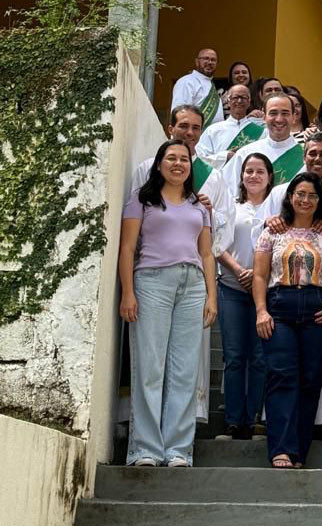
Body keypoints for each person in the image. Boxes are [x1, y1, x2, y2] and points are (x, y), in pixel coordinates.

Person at [130, 106, 235, 425]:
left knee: (185, 361)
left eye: (196, 128)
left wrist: (209, 212)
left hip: (194, 276)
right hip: (153, 274)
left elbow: (225, 224)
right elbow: (134, 221)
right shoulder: (147, 168)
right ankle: (147, 434)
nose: (189, 133)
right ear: (169, 127)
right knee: (151, 359)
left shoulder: (212, 176)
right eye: (183, 126)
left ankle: (185, 426)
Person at [119, 139, 217, 467]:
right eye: (171, 158)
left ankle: (178, 450)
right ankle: (145, 449)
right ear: (159, 164)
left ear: (190, 166)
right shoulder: (141, 200)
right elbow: (127, 249)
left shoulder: (198, 206)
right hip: (152, 283)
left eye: (184, 159)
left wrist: (211, 296)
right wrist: (128, 292)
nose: (178, 163)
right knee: (150, 367)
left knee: (185, 370)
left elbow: (206, 253)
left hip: (192, 287)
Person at [253, 172, 322, 469]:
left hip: (319, 308)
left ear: (320, 201)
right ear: (290, 197)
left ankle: (299, 451)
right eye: (300, 194)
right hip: (280, 307)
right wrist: (261, 311)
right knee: (282, 376)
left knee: (310, 380)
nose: (305, 200)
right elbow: (260, 275)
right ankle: (281, 449)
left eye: (312, 195)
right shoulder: (273, 232)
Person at [216, 153, 273, 440]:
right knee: (235, 356)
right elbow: (216, 244)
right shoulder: (232, 209)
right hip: (231, 288)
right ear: (241, 177)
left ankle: (255, 419)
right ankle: (233, 421)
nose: (253, 176)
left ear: (269, 177)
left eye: (259, 171)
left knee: (261, 358)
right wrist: (240, 270)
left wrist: (258, 275)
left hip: (265, 294)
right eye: (248, 171)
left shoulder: (276, 212)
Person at [223, 94, 305, 195]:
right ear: (264, 116)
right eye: (273, 113)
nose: (279, 119)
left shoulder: (304, 155)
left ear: (293, 116)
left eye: (285, 113)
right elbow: (228, 193)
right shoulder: (245, 153)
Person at [197, 85, 266, 169]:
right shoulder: (212, 130)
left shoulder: (262, 132)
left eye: (243, 97)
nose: (239, 101)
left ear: (249, 102)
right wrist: (225, 156)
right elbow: (201, 158)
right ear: (228, 101)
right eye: (235, 97)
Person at [171, 48, 223, 129]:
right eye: (206, 58)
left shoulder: (211, 85)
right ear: (197, 62)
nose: (209, 62)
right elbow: (179, 113)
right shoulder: (187, 81)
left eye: (213, 60)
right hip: (193, 138)